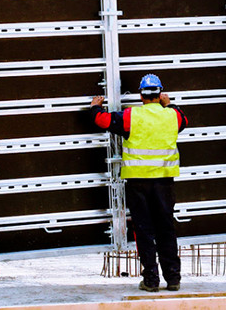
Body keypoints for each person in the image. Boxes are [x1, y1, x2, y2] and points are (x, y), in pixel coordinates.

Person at [90, 74, 188, 292]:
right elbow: (183, 120)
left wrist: (96, 107)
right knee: (166, 229)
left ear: (141, 94)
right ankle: (173, 279)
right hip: (164, 182)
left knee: (144, 230)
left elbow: (103, 120)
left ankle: (151, 280)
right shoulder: (172, 115)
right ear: (160, 93)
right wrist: (169, 103)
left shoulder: (131, 116)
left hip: (138, 183)